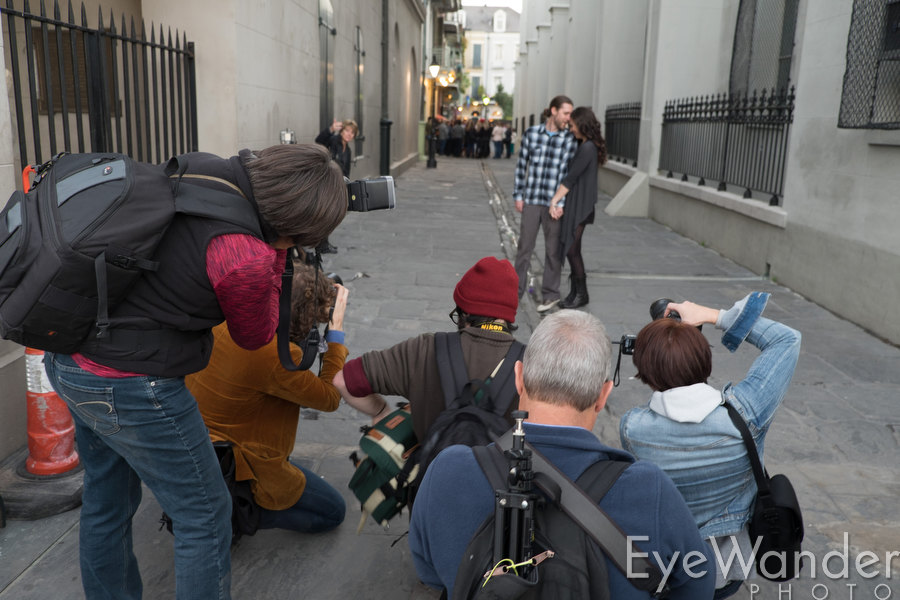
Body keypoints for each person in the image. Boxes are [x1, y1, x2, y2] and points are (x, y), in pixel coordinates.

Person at [42, 143, 347, 600]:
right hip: (132, 384)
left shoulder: (204, 168)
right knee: (203, 515)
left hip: (70, 358)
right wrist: (279, 251)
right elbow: (257, 334)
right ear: (292, 227)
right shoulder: (246, 256)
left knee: (107, 501)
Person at [409, 310, 716, 599]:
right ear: (603, 395)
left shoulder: (447, 471)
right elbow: (699, 584)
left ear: (519, 377)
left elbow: (429, 573)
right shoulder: (649, 492)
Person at [620, 293, 801, 599]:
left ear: (645, 372)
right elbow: (786, 340)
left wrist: (662, 344)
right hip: (725, 567)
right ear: (704, 359)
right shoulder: (747, 413)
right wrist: (712, 315)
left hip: (666, 565)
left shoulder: (633, 428)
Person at [186, 261, 350, 534]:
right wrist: (335, 336)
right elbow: (330, 398)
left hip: (195, 440)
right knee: (333, 512)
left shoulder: (226, 317)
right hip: (237, 456)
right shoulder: (276, 354)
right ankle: (239, 511)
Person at [334, 256, 520, 442]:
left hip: (432, 460)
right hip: (502, 462)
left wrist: (381, 411)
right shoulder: (530, 364)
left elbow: (343, 381)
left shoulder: (423, 350)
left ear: (464, 313)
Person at [512, 95, 577, 312]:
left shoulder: (569, 139)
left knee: (553, 251)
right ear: (553, 111)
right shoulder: (532, 133)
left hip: (554, 205)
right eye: (566, 113)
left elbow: (569, 175)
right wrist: (518, 195)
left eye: (570, 114)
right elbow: (521, 166)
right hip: (531, 201)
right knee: (524, 248)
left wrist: (561, 203)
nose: (568, 118)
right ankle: (515, 292)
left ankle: (550, 294)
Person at [548, 106, 608, 309]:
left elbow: (570, 179)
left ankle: (581, 294)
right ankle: (576, 292)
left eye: (573, 125)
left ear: (582, 125)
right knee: (573, 249)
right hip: (579, 203)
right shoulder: (585, 145)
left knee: (572, 250)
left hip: (581, 205)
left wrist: (554, 201)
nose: (571, 128)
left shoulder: (587, 148)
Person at [315, 118, 358, 254]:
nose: (349, 134)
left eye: (352, 132)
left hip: (338, 184)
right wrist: (331, 129)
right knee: (327, 215)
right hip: (328, 182)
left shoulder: (348, 149)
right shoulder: (334, 141)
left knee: (331, 215)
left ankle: (323, 243)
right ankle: (321, 245)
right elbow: (319, 141)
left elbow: (346, 170)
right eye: (347, 131)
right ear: (342, 130)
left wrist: (347, 186)